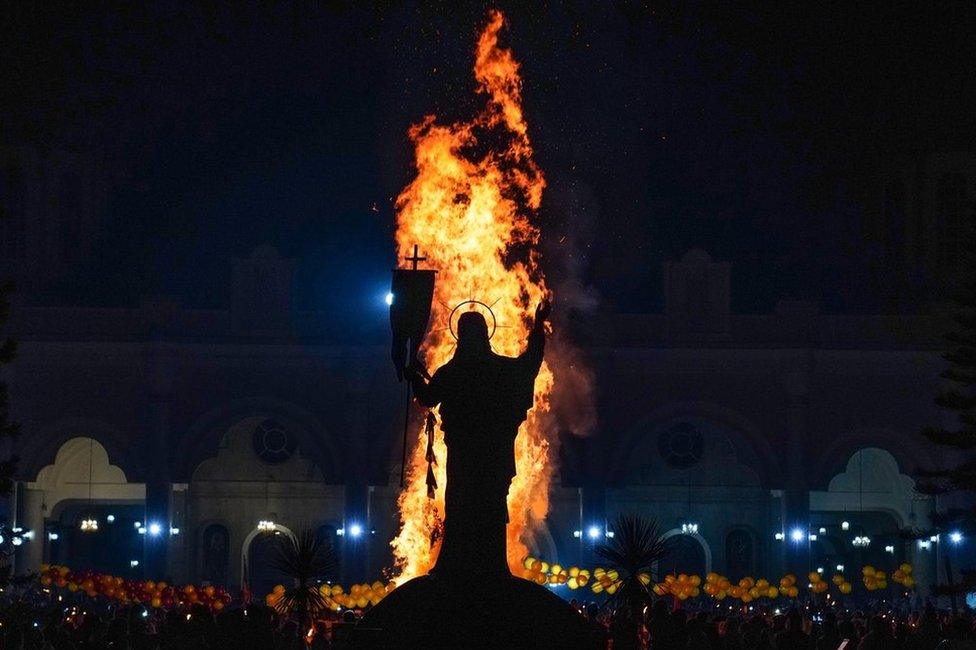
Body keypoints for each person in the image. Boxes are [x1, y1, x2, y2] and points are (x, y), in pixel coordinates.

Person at [408, 300, 550, 577]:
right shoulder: (492, 370)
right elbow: (530, 362)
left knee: (466, 505)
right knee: (484, 506)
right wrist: (538, 326)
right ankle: (484, 565)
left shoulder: (451, 372)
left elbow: (426, 397)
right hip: (487, 455)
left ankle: (466, 565)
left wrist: (414, 374)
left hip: (469, 455)